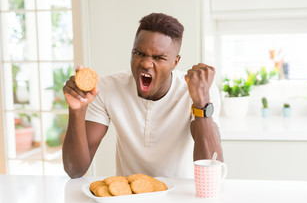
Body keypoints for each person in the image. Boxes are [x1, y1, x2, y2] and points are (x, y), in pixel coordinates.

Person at [62, 13, 223, 179]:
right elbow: (75, 170)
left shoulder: (201, 91)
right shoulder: (106, 89)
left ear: (175, 62)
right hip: (129, 197)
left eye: (159, 57)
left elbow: (211, 172)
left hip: (182, 197)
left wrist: (201, 103)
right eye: (138, 53)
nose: (146, 63)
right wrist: (77, 110)